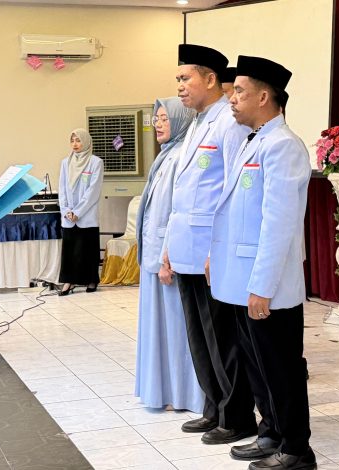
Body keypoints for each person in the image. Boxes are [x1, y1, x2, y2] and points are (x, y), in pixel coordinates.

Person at [209, 55, 315, 470]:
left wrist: (262, 286)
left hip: (265, 283)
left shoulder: (283, 145)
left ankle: (297, 449)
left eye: (239, 91)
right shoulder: (253, 140)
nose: (232, 99)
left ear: (264, 97)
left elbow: (279, 224)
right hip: (242, 277)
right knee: (257, 366)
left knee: (281, 368)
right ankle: (270, 431)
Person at [161, 43, 252, 444]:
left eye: (186, 78)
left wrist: (219, 250)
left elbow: (232, 191)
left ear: (211, 79)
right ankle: (213, 407)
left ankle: (237, 416)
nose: (179, 86)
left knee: (223, 339)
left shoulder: (229, 123)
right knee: (199, 336)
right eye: (178, 79)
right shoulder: (197, 123)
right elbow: (183, 193)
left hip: (210, 251)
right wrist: (169, 246)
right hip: (186, 247)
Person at [134, 97, 203, 413]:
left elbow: (178, 212)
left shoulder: (180, 158)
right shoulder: (166, 155)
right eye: (156, 119)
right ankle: (163, 391)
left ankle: (183, 394)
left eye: (165, 118)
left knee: (176, 331)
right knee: (159, 330)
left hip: (167, 260)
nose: (159, 124)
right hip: (153, 257)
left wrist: (168, 257)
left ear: (180, 120)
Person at [57, 128, 103, 295]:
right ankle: (68, 282)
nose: (75, 144)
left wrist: (78, 211)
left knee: (88, 248)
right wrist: (66, 210)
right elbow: (62, 188)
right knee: (69, 250)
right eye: (72, 140)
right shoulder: (65, 163)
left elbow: (93, 190)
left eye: (78, 140)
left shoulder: (95, 162)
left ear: (86, 142)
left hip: (86, 215)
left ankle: (91, 280)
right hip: (69, 216)